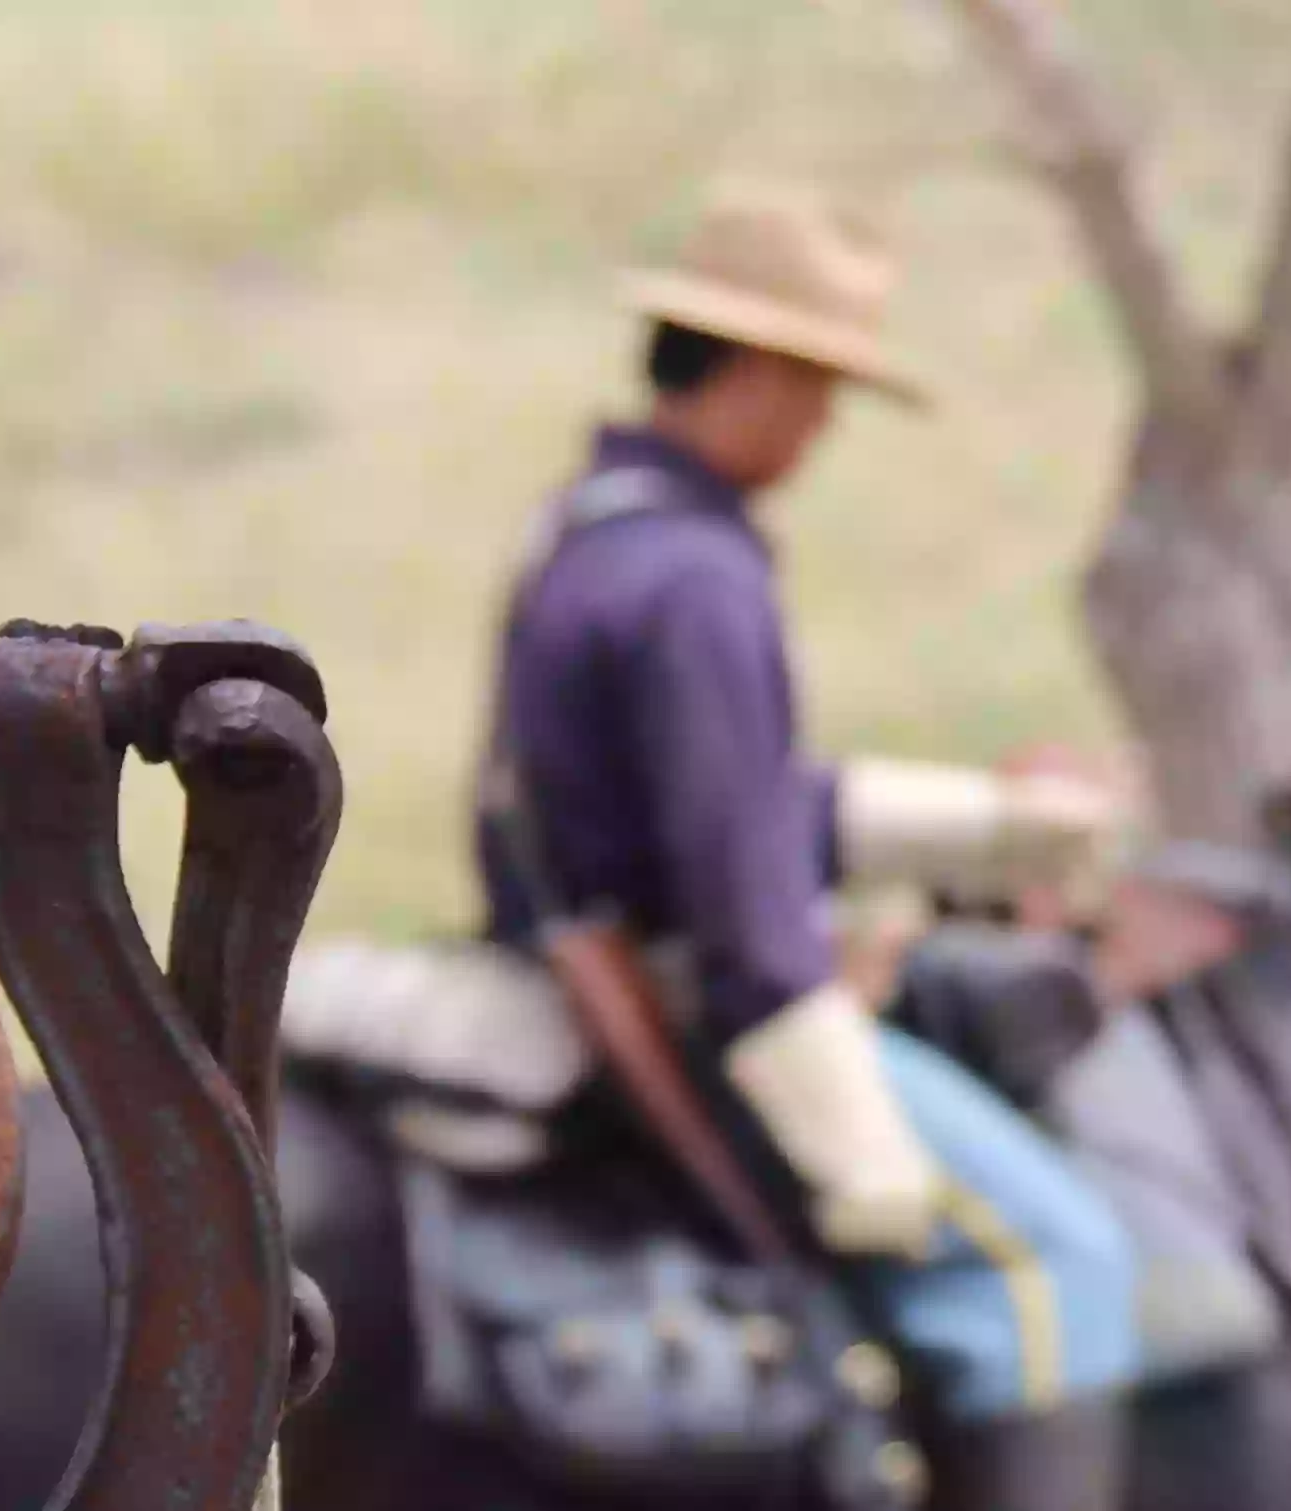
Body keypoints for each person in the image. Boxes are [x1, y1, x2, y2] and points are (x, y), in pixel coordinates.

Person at [474, 178, 1142, 1511]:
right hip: (709, 1013)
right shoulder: (700, 581)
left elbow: (730, 800)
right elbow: (746, 917)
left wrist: (995, 829)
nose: (826, 425)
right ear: (764, 377)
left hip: (605, 945)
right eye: (822, 389)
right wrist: (857, 1148)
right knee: (1060, 1261)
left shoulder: (596, 525)